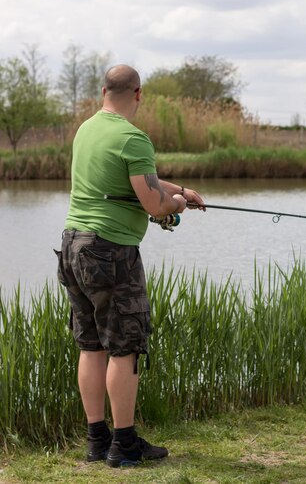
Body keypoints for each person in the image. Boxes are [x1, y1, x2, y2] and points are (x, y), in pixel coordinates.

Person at [55, 64, 205, 468]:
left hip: (73, 246)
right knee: (125, 348)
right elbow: (153, 202)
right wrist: (174, 207)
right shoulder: (133, 137)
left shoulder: (87, 130)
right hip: (110, 252)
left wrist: (182, 190)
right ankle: (124, 446)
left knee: (91, 345)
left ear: (104, 91)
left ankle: (96, 441)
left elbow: (140, 180)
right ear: (139, 94)